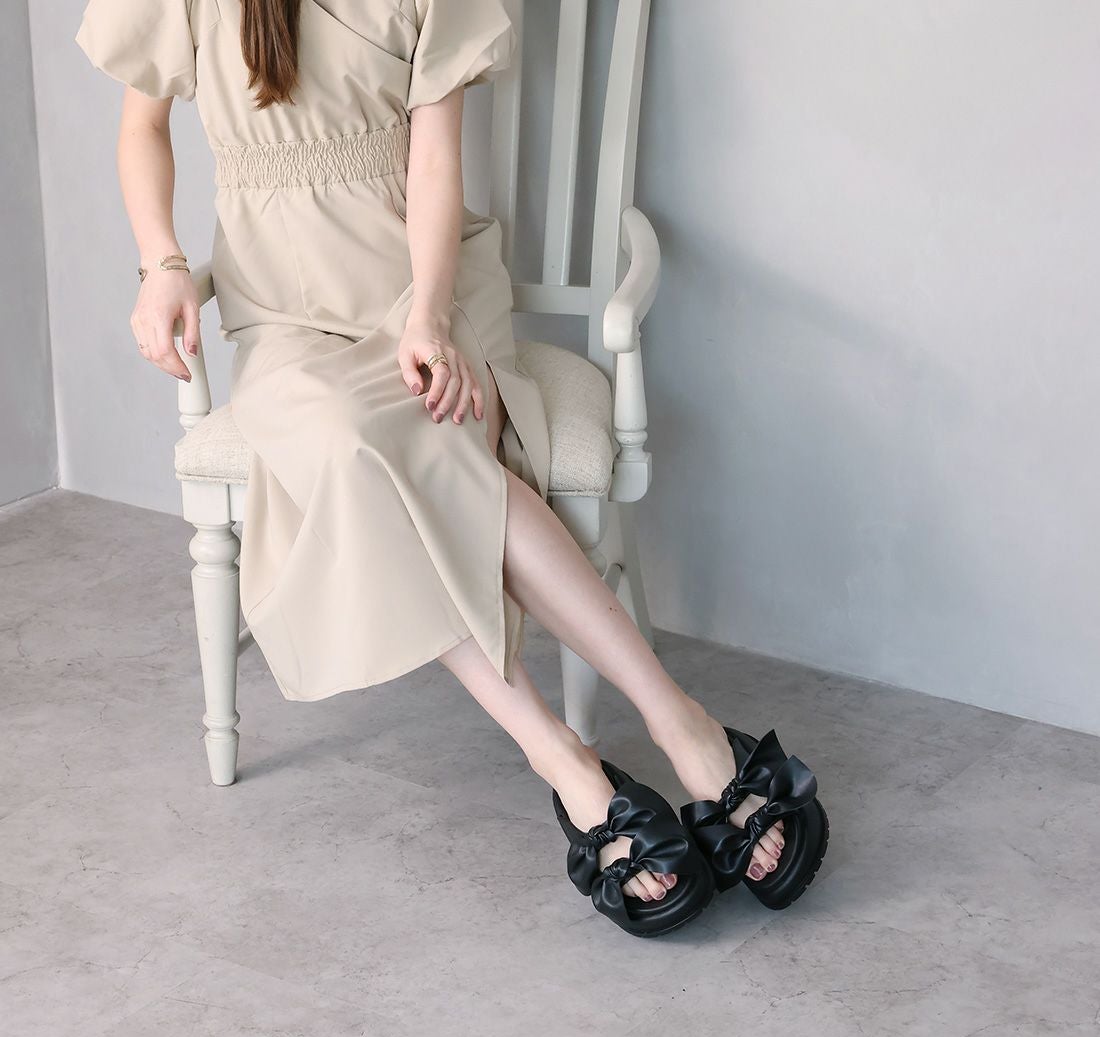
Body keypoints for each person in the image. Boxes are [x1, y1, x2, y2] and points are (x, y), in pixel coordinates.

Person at [75, 0, 828, 936]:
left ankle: (679, 724)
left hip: (421, 288)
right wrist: (161, 262)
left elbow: (435, 159)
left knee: (422, 439)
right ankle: (561, 755)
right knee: (348, 444)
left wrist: (428, 317)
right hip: (283, 322)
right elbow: (141, 125)